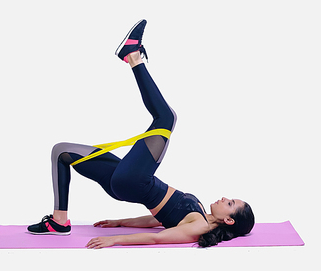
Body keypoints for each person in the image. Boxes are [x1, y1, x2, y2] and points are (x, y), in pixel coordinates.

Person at [27, 20, 255, 248]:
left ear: (229, 219)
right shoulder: (201, 214)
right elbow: (156, 220)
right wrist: (120, 222)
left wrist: (116, 239)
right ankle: (59, 221)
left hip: (134, 181)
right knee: (62, 152)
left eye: (231, 202)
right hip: (126, 181)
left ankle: (133, 56)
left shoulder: (200, 226)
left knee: (167, 118)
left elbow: (158, 237)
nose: (225, 198)